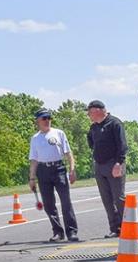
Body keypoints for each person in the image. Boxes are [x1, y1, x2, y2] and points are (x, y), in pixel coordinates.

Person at [28, 108, 79, 242]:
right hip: (43, 171)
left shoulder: (59, 133)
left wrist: (72, 169)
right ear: (38, 121)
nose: (47, 121)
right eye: (44, 118)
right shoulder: (35, 138)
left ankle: (72, 231)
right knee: (49, 204)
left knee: (66, 201)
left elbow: (68, 153)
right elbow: (34, 160)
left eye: (49, 118)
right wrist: (32, 178)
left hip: (59, 168)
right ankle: (58, 232)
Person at [85, 100, 127, 238]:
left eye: (89, 113)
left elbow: (122, 145)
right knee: (106, 199)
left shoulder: (114, 123)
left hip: (114, 164)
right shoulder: (93, 128)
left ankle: (128, 226)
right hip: (100, 166)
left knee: (119, 197)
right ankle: (115, 228)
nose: (88, 116)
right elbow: (91, 143)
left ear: (97, 111)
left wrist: (118, 163)